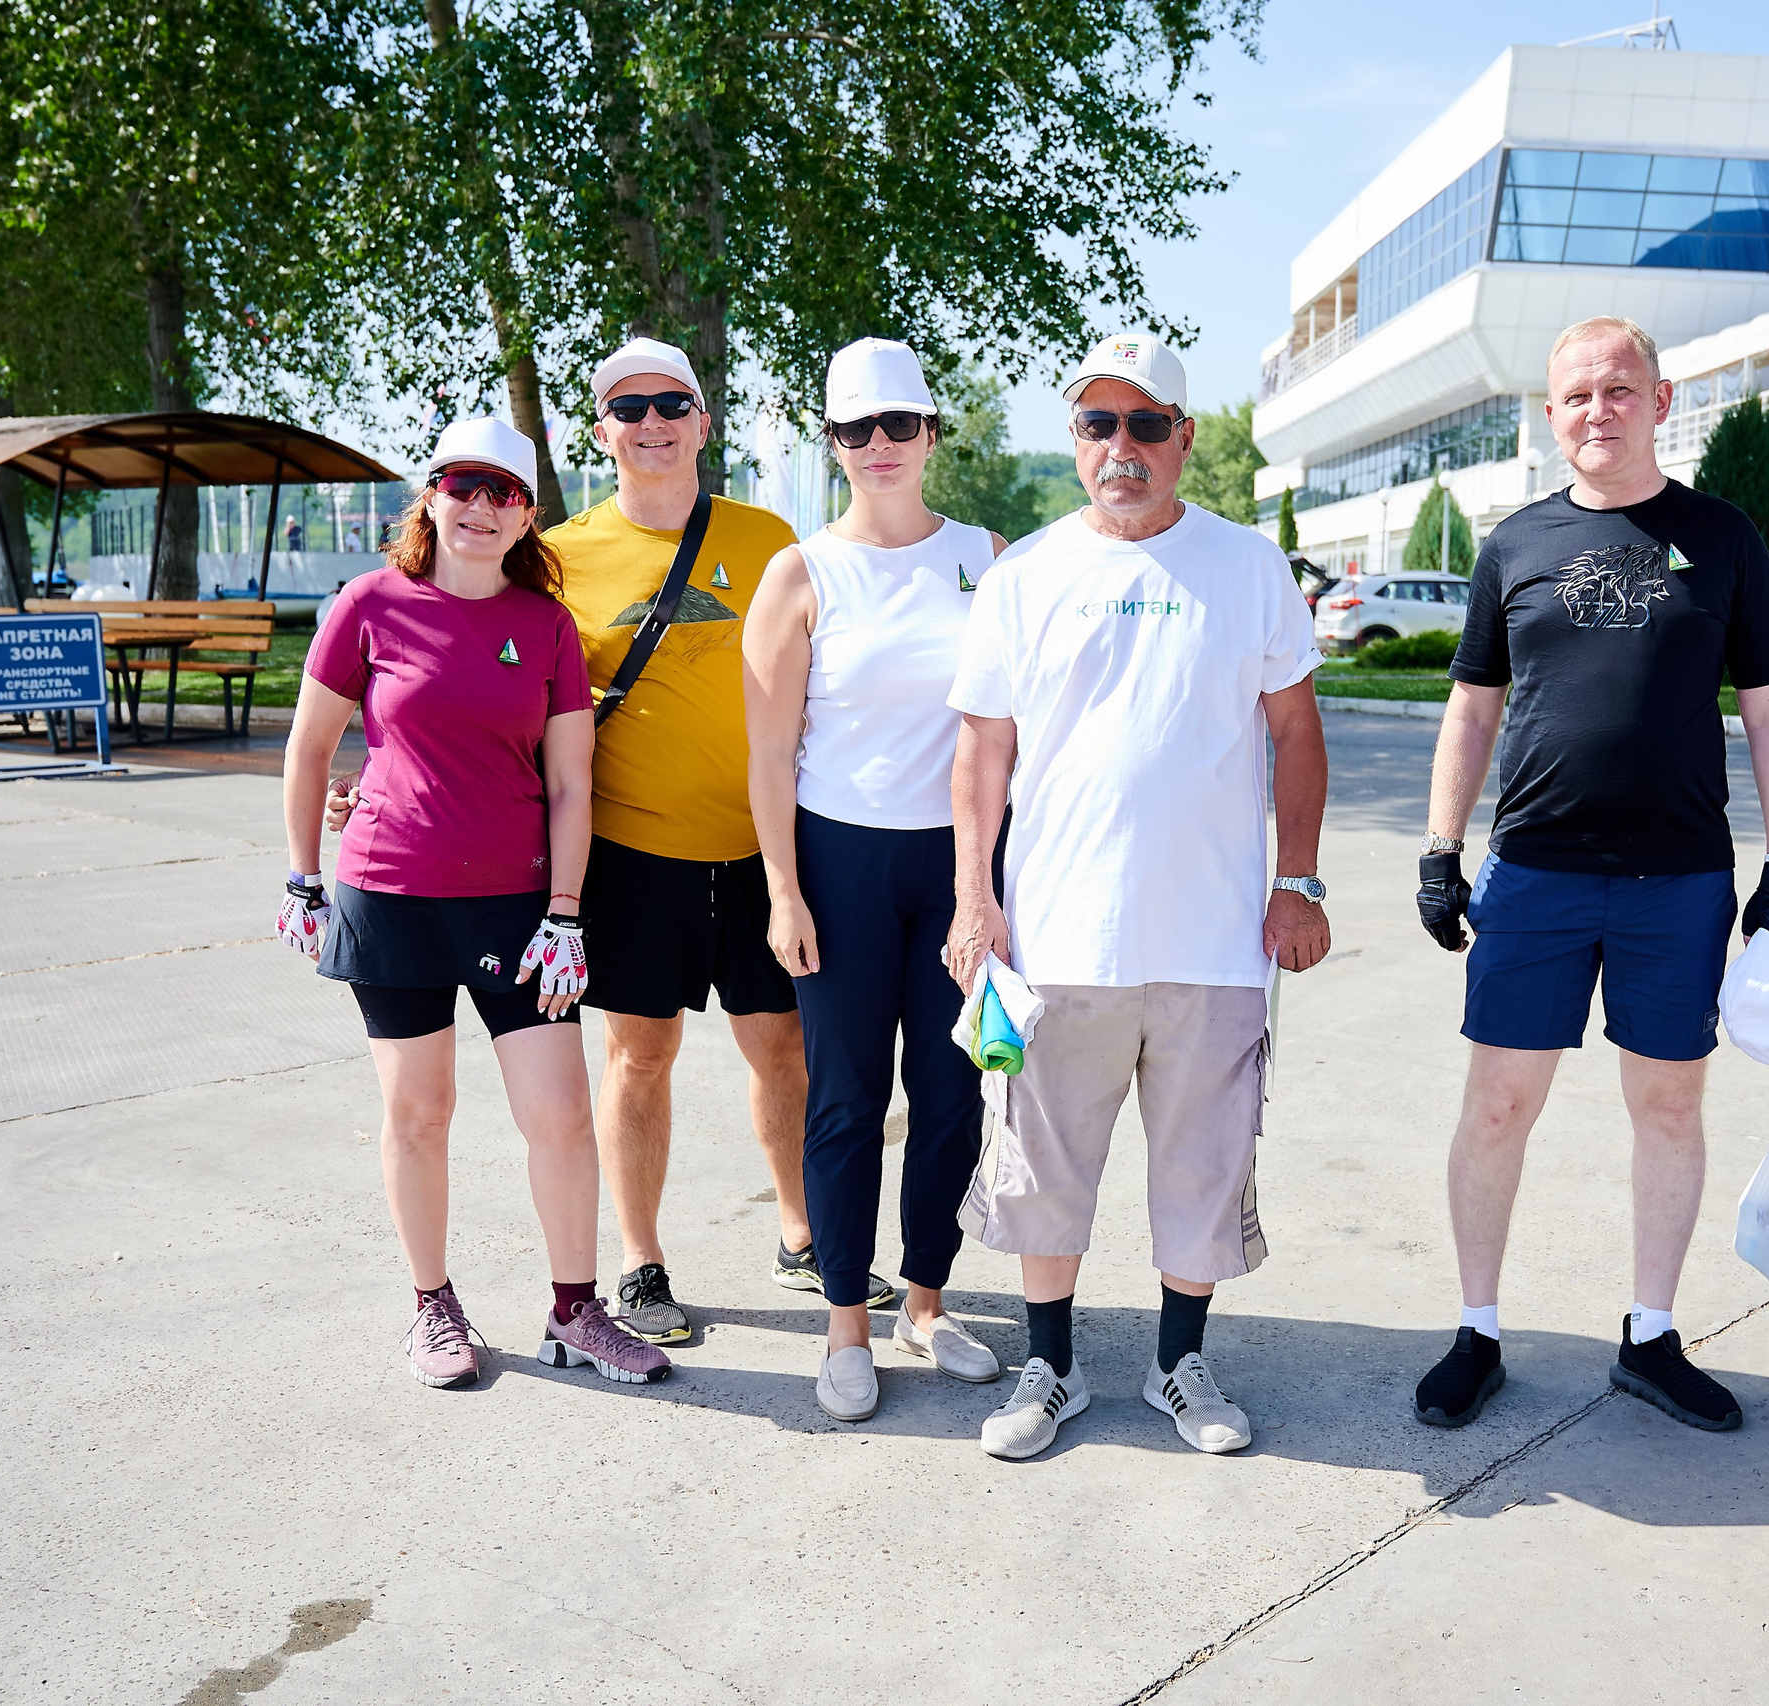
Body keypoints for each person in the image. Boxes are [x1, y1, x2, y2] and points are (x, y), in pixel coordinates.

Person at [1410, 315, 1769, 1434]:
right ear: (1552, 415)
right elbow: (1473, 705)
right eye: (1576, 395)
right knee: (1496, 1104)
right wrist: (1441, 849)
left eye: (1618, 390)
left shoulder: (1721, 537)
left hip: (1677, 880)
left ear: (1660, 399)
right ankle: (1477, 1329)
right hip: (1534, 872)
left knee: (1669, 1104)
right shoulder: (1514, 544)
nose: (1598, 410)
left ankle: (1650, 1331)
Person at [946, 330, 1332, 1461]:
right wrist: (976, 900)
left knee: (1204, 1164)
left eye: (1146, 424)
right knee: (1039, 1163)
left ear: (1184, 438)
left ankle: (1178, 1362)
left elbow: (1296, 729)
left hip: (1214, 940)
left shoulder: (1247, 565)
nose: (1123, 447)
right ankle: (1049, 1365)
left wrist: (1297, 879)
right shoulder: (1024, 577)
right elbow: (980, 757)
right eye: (1098, 424)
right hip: (1055, 939)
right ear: (1074, 442)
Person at [277, 416, 670, 1390]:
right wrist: (301, 876)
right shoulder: (366, 605)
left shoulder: (543, 626)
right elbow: (309, 748)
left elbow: (572, 781)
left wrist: (567, 910)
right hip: (390, 896)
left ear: (529, 514)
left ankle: (576, 1309)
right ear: (431, 494)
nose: (481, 506)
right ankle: (432, 1305)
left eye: (505, 492)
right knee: (419, 1111)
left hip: (516, 905)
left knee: (562, 1114)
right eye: (464, 484)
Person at [545, 337, 890, 1339]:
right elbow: (522, 706)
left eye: (671, 404)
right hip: (632, 852)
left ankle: (803, 1233)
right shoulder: (564, 555)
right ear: (602, 430)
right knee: (640, 1052)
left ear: (702, 422)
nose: (651, 423)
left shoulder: (770, 533)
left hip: (764, 852)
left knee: (783, 1045)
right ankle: (640, 1262)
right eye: (629, 407)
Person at [745, 338, 1011, 1423]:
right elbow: (765, 753)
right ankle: (847, 1321)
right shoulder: (800, 572)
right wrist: (782, 888)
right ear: (833, 443)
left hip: (956, 862)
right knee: (849, 1100)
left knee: (954, 1093)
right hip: (839, 859)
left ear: (932, 434)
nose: (879, 446)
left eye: (899, 424)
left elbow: (1016, 729)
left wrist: (993, 883)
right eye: (856, 429)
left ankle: (927, 1300)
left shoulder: (992, 555)